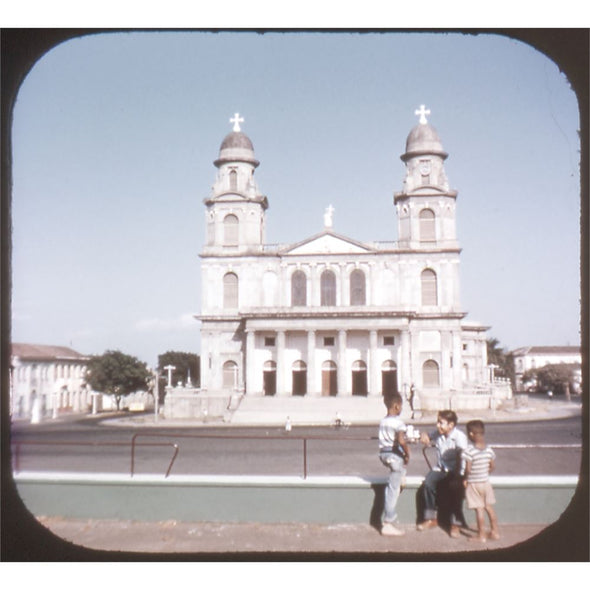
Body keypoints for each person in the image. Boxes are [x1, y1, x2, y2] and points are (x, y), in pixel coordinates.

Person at [417, 409, 468, 537]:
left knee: (454, 490)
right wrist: (424, 436)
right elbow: (427, 436)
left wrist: (461, 477)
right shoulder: (439, 433)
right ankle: (431, 519)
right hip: (440, 469)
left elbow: (464, 458)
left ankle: (455, 524)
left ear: (451, 425)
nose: (437, 425)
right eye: (437, 422)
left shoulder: (459, 438)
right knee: (428, 484)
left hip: (455, 471)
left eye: (441, 423)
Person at [462, 420, 500, 542]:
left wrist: (465, 479)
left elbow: (467, 469)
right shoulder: (489, 450)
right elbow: (492, 466)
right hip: (485, 482)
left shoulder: (469, 451)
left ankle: (481, 535)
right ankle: (495, 532)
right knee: (489, 507)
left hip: (474, 483)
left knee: (479, 509)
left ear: (471, 434)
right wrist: (485, 472)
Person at [378, 392, 410, 536]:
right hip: (394, 456)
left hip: (384, 454)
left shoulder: (383, 421)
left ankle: (401, 478)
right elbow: (401, 441)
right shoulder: (399, 423)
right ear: (397, 406)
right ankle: (388, 522)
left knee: (395, 479)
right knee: (392, 490)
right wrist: (407, 453)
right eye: (401, 406)